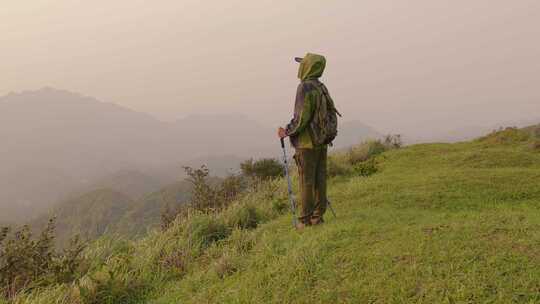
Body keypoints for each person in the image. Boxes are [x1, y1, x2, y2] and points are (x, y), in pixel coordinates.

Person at [278, 53, 333, 229]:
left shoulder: (305, 88)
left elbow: (301, 118)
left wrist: (286, 131)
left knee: (306, 181)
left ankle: (305, 220)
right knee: (320, 179)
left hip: (307, 143)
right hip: (321, 140)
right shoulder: (321, 87)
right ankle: (318, 217)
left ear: (307, 67)